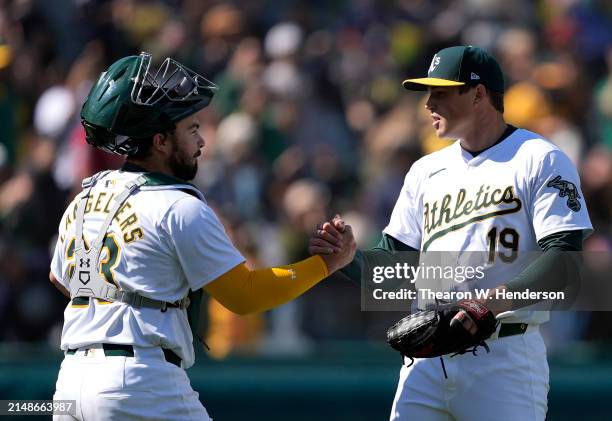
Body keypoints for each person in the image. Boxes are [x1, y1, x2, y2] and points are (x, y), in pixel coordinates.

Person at [49, 52, 356, 421]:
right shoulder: (179, 206)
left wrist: (124, 298)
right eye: (192, 128)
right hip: (141, 381)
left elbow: (60, 278)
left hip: (69, 384)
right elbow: (245, 295)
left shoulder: (84, 198)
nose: (202, 140)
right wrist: (325, 265)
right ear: (161, 140)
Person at [310, 46, 592, 420]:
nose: (428, 104)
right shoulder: (426, 171)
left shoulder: (538, 158)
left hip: (503, 358)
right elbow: (395, 274)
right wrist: (349, 259)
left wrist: (488, 304)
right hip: (426, 359)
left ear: (478, 94)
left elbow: (565, 265)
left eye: (441, 92)